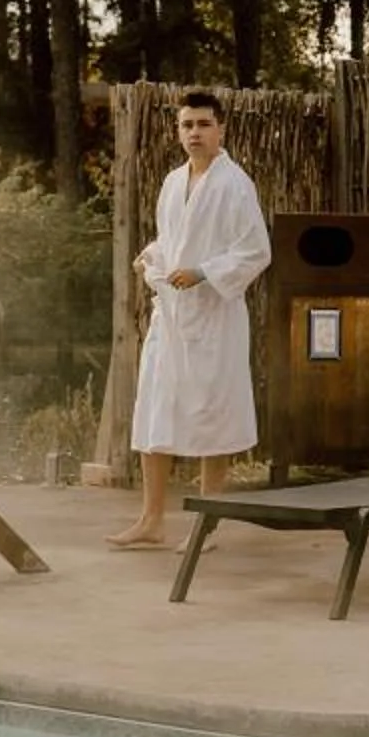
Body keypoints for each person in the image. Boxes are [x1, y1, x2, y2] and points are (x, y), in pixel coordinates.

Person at [108, 90, 270, 549]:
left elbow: (256, 251)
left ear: (221, 129)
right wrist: (151, 256)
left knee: (211, 415)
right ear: (178, 131)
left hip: (214, 316)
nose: (194, 132)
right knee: (154, 410)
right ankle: (152, 519)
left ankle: (206, 527)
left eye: (203, 124)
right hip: (172, 316)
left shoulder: (235, 185)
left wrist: (204, 272)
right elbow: (170, 241)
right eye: (187, 125)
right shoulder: (172, 182)